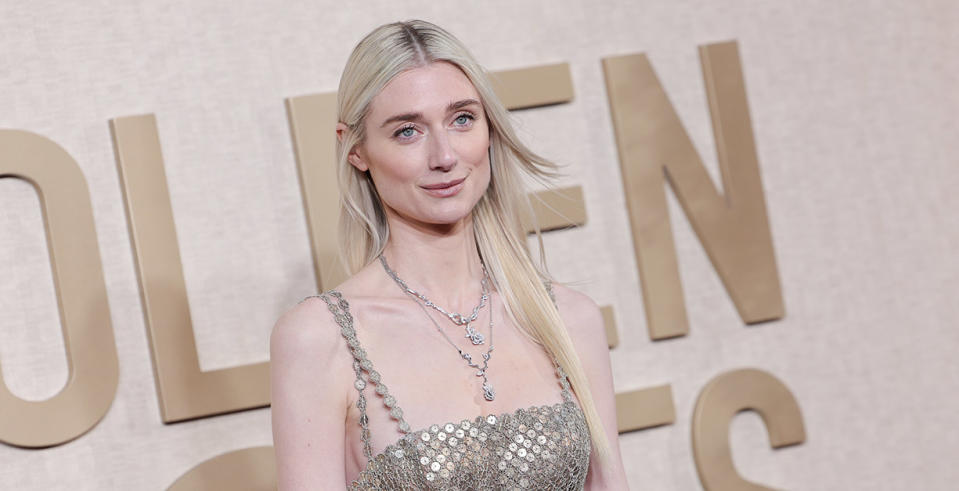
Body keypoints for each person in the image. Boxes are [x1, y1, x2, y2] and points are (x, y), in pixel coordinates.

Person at [270, 19, 628, 490]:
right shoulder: (320, 338)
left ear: (488, 128)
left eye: (462, 119)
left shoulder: (568, 319)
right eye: (407, 132)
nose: (444, 156)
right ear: (355, 149)